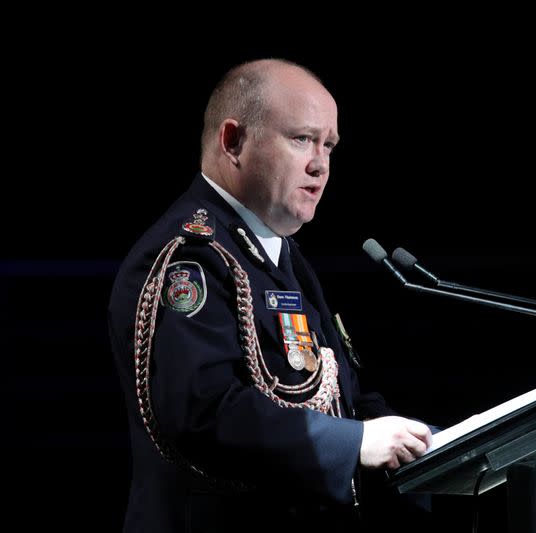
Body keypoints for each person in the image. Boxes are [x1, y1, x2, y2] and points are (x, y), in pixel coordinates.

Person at [108, 58, 433, 533]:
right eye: (301, 139)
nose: (320, 163)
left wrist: (431, 445)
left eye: (329, 145)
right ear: (233, 141)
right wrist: (354, 442)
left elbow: (338, 394)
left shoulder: (278, 252)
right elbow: (204, 413)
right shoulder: (188, 257)